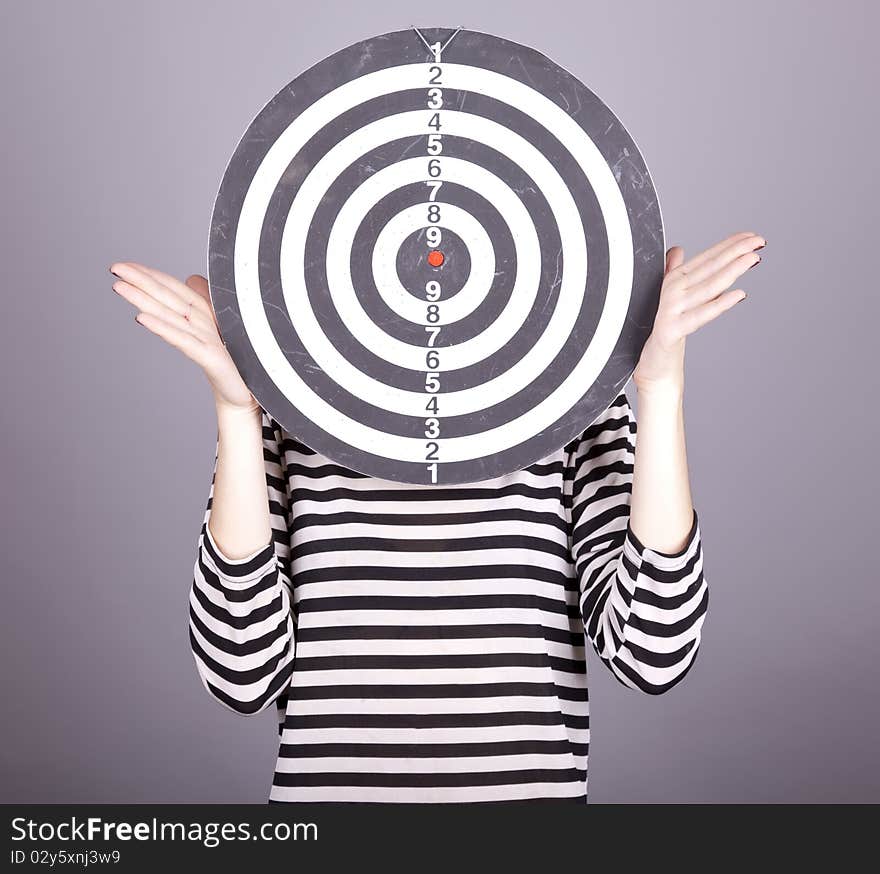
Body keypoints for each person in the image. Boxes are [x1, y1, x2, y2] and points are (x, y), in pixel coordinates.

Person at [110, 231, 764, 803]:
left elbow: (653, 653)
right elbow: (240, 673)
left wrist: (659, 391)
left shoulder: (577, 406)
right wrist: (238, 413)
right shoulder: (291, 414)